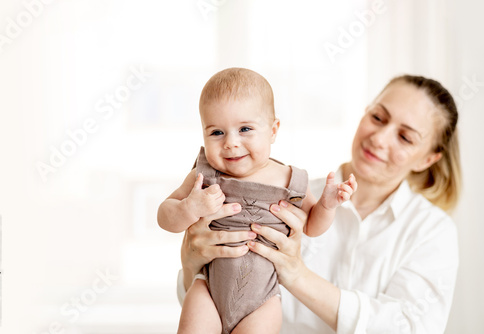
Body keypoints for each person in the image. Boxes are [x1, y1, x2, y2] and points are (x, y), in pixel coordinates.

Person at [177, 74, 461, 333]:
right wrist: (192, 266)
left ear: (428, 159)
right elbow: (219, 308)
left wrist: (298, 275)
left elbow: (410, 327)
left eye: (405, 137)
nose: (379, 138)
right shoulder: (287, 197)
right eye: (378, 117)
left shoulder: (432, 231)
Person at [158, 67, 357, 334]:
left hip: (261, 302)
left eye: (245, 129)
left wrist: (327, 205)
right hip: (207, 289)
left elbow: (312, 227)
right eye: (217, 132)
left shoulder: (290, 180)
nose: (231, 142)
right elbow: (164, 215)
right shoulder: (204, 175)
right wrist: (189, 207)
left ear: (273, 130)